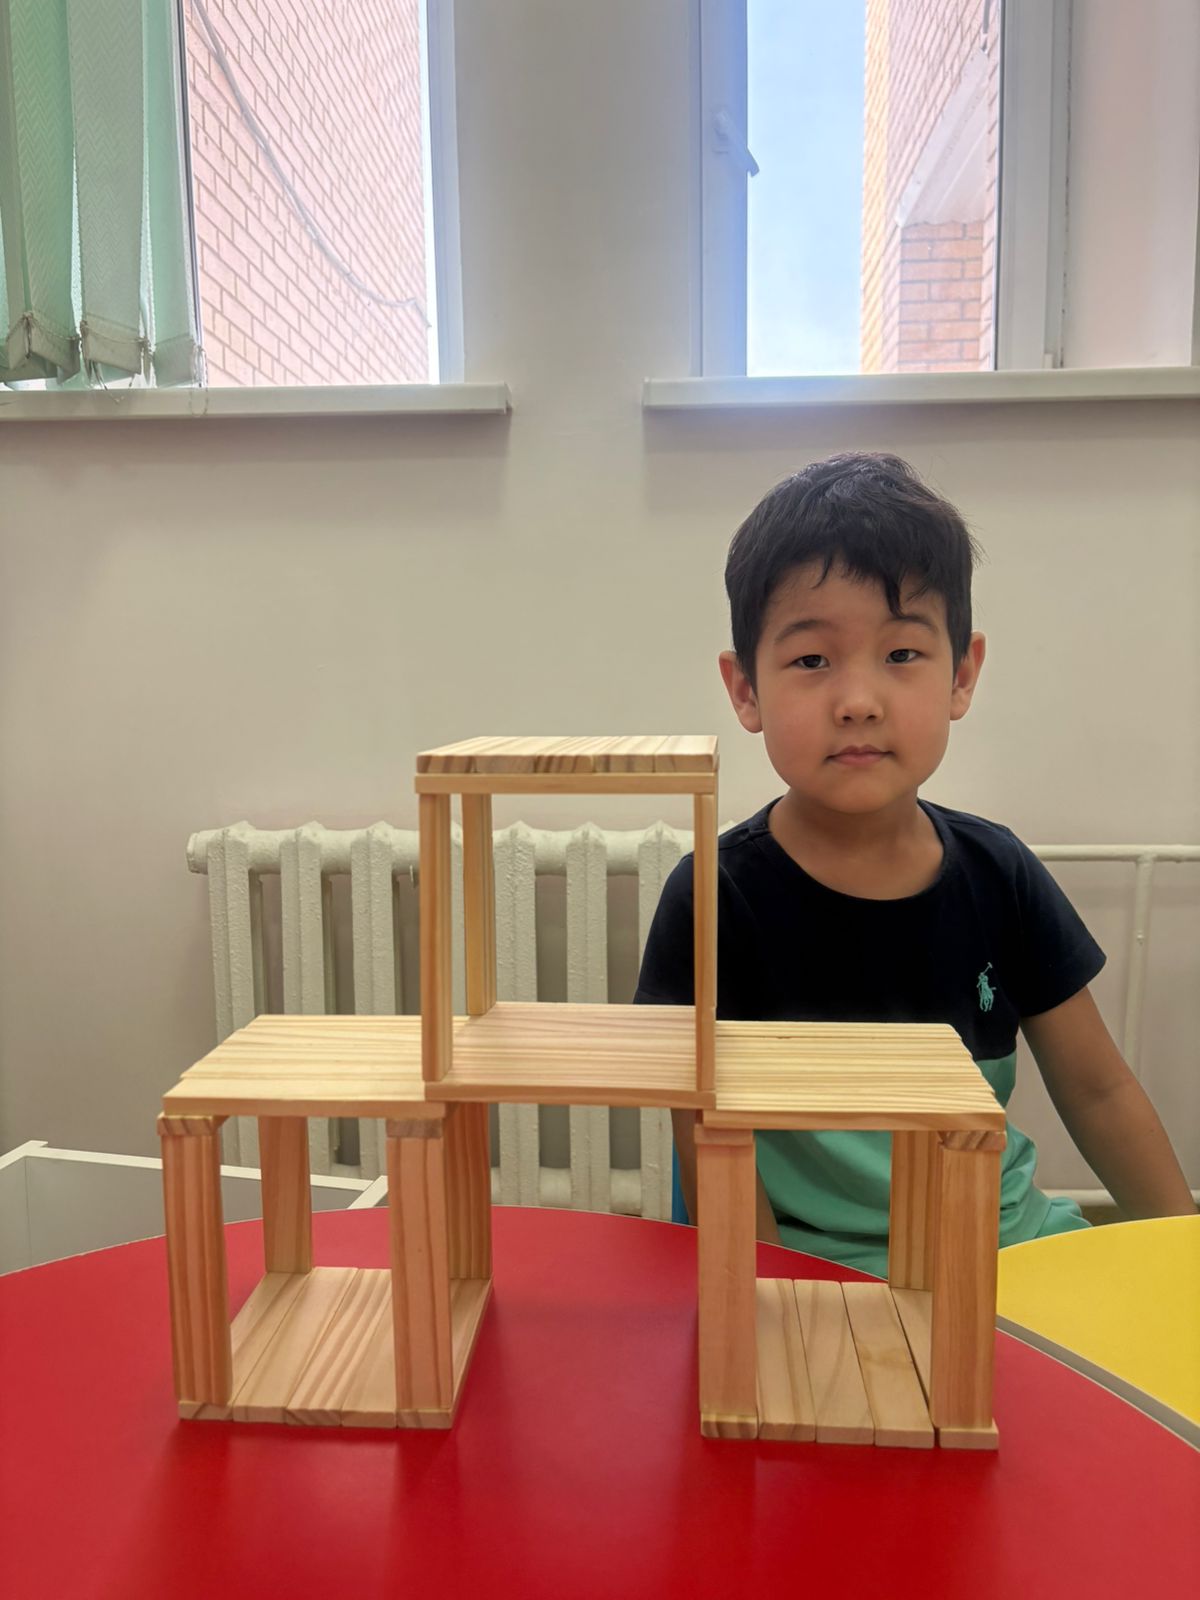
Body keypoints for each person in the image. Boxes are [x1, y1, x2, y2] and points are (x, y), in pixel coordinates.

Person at [634, 453, 1195, 1276]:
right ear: (745, 690)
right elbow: (706, 1141)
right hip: (820, 1271)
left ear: (962, 675)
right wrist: (771, 1309)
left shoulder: (1001, 873)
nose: (859, 701)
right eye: (812, 660)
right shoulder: (713, 899)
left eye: (901, 654)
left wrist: (1182, 1257)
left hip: (1002, 1246)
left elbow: (1099, 1091)